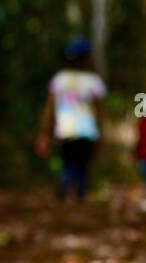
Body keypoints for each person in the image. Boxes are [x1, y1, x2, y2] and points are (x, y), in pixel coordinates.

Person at [36, 38, 106, 200]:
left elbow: (50, 109)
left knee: (68, 165)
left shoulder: (60, 79)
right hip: (87, 132)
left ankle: (63, 197)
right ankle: (79, 200)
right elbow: (99, 112)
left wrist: (44, 133)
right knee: (82, 168)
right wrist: (101, 134)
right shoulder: (93, 82)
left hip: (66, 131)